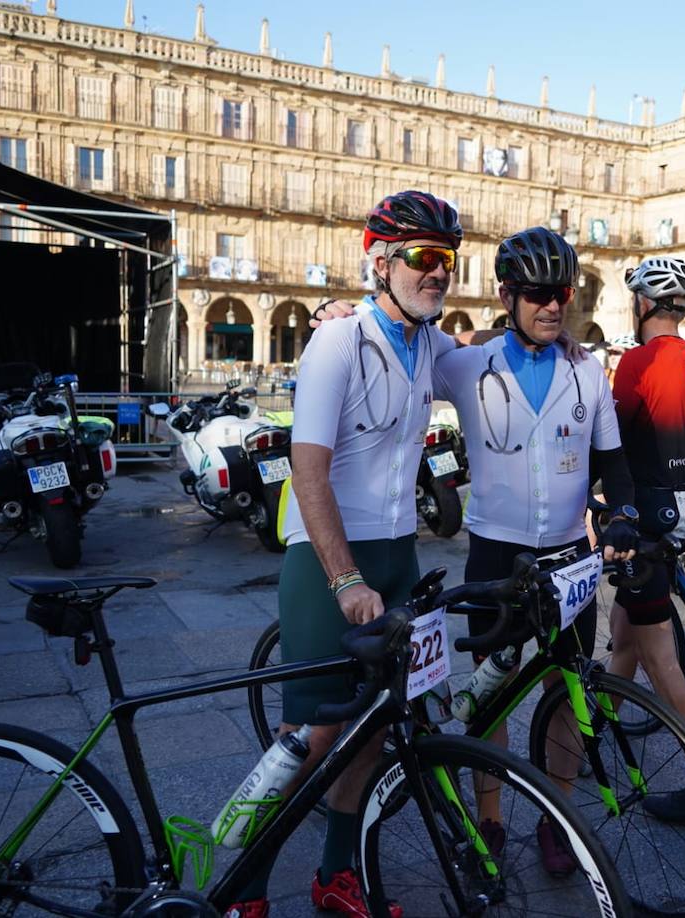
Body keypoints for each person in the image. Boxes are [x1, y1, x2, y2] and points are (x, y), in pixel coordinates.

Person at [235, 190, 466, 918]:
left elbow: (502, 360)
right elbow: (309, 469)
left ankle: (337, 874)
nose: (438, 274)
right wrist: (343, 580)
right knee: (312, 735)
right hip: (326, 560)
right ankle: (242, 880)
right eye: (424, 259)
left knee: (373, 729)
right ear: (381, 262)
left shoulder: (432, 344)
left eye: (447, 262)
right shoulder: (339, 339)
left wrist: (561, 340)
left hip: (396, 554)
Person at [430, 227, 640, 871]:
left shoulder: (587, 369)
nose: (553, 306)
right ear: (506, 295)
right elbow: (404, 341)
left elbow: (613, 460)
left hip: (569, 559)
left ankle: (559, 814)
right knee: (491, 693)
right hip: (496, 555)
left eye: (562, 293)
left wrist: (625, 515)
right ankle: (489, 819)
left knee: (565, 688)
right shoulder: (466, 364)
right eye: (537, 295)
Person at [609, 255, 685, 821]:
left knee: (658, 655)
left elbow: (614, 440)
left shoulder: (637, 361)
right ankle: (602, 724)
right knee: (624, 629)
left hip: (645, 517)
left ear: (644, 303)